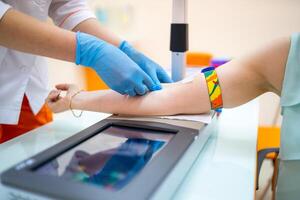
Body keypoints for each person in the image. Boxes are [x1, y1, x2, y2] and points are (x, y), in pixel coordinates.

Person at [47, 33, 300, 199]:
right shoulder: (287, 54)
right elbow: (169, 97)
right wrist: (74, 99)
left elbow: (172, 97)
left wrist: (75, 99)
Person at [0, 1, 171, 143]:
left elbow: (66, 5)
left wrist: (123, 49)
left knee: (32, 172)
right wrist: (91, 51)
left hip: (27, 90)